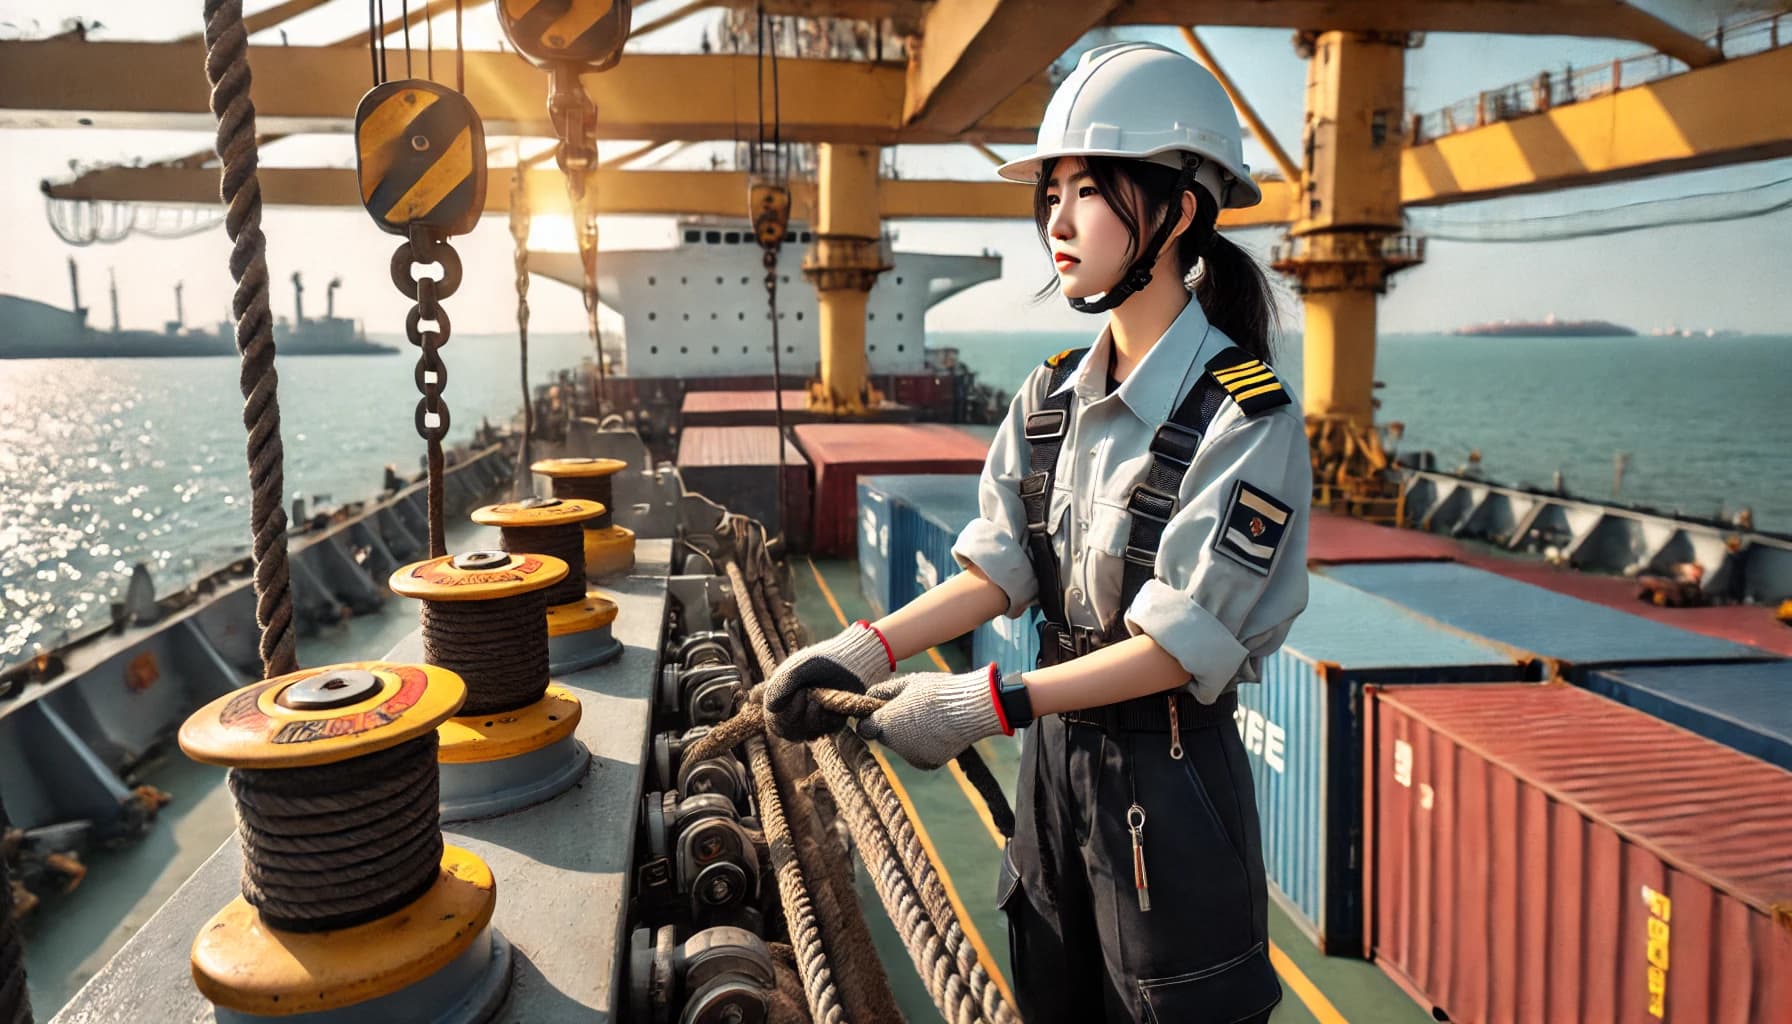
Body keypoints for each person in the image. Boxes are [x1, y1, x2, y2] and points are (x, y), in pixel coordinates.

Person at [766, 41, 1309, 1023]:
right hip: (1050, 769)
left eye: (1085, 191)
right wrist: (858, 648)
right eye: (1047, 193)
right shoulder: (1049, 395)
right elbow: (1000, 566)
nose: (1054, 221)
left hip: (1171, 785)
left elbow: (1177, 647)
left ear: (1176, 210)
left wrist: (988, 703)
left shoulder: (1247, 418)